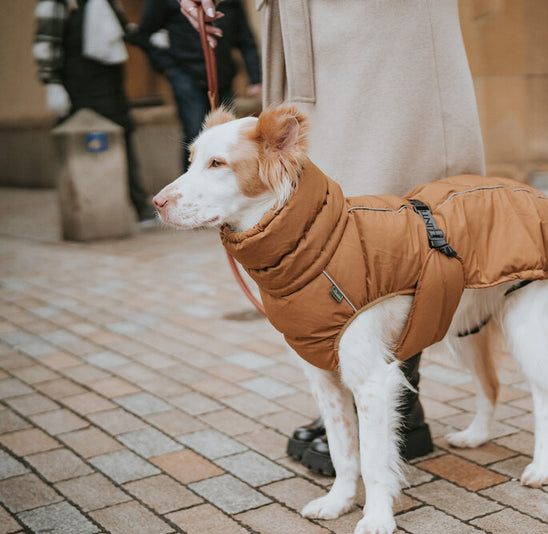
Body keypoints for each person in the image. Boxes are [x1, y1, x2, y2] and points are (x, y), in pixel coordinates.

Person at [182, 0, 485, 476]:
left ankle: (400, 406)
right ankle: (356, 402)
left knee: (384, 183)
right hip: (303, 23)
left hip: (377, 21)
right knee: (327, 191)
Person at [34, 0, 153, 221]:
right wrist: (52, 83)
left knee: (124, 140)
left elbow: (124, 30)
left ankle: (140, 206)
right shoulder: (55, 4)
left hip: (110, 85)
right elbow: (46, 45)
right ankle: (90, 211)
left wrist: (150, 35)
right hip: (77, 86)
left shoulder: (108, 2)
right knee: (88, 147)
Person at [131, 0, 261, 170]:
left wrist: (256, 77)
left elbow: (245, 37)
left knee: (225, 136)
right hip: (185, 76)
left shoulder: (231, 2)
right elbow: (143, 35)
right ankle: (191, 188)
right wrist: (168, 67)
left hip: (222, 76)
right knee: (195, 134)